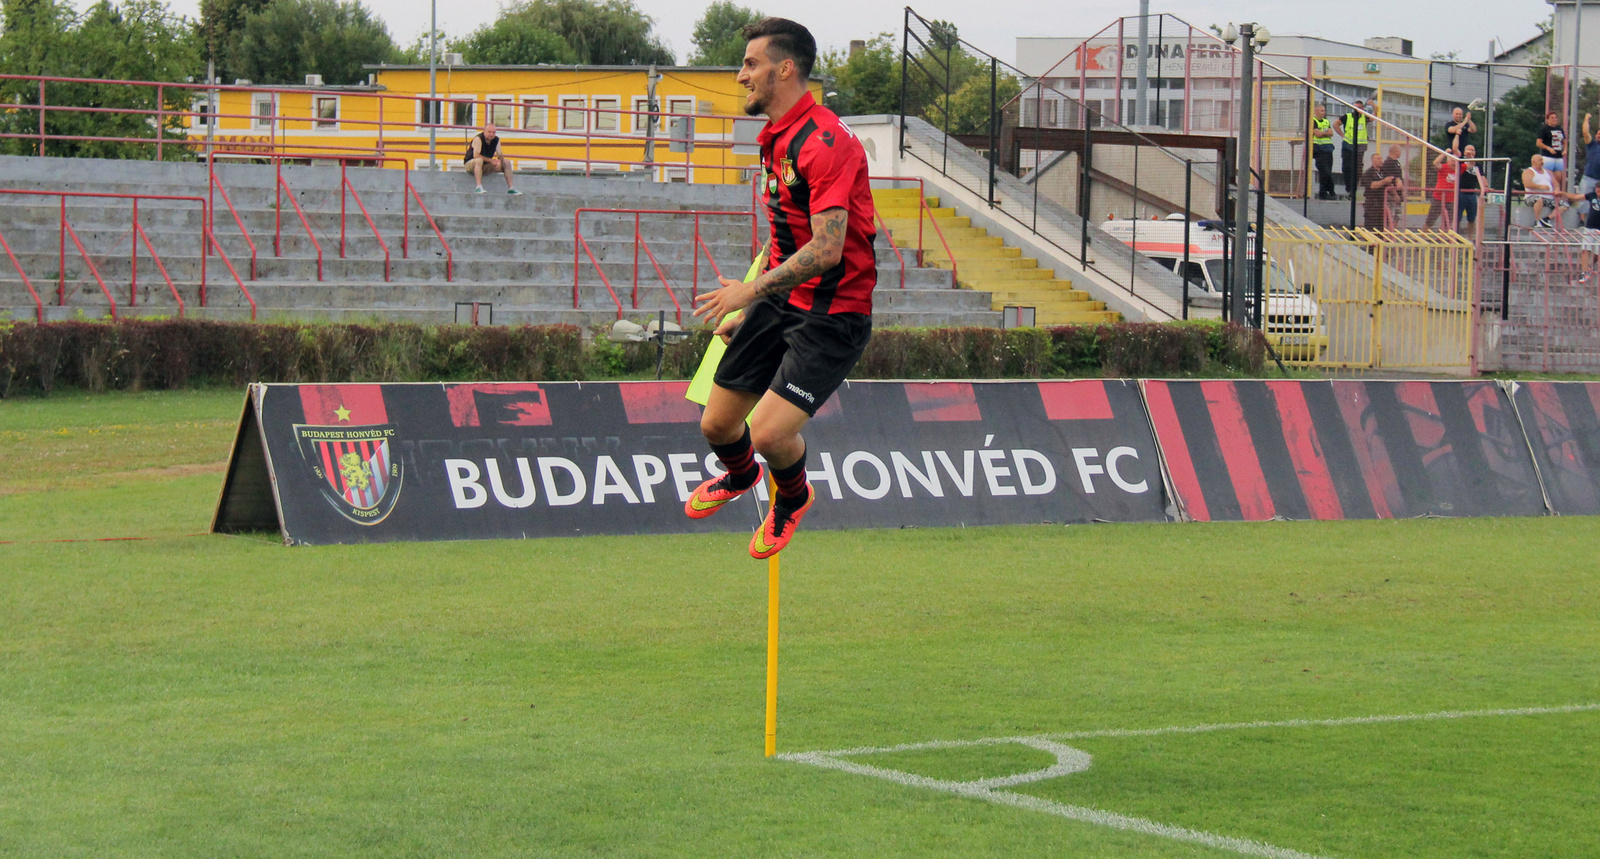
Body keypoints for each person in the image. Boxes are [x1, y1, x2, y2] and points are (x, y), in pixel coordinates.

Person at [687, 17, 877, 560]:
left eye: (751, 64)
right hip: (781, 302)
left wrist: (745, 295)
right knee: (718, 424)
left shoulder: (825, 141)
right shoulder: (775, 138)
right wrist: (752, 309)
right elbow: (784, 238)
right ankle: (742, 477)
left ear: (785, 68)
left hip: (833, 314)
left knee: (770, 435)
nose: (740, 76)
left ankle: (792, 500)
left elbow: (826, 249)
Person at [464, 123, 520, 195]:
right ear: (484, 131)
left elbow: (500, 154)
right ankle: (479, 187)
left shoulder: (496, 140)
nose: (491, 134)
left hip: (485, 165)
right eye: (489, 132)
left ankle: (511, 188)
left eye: (493, 132)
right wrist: (491, 161)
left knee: (507, 162)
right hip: (471, 164)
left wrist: (500, 161)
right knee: (479, 160)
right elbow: (476, 155)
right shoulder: (478, 139)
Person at [1524, 153, 1566, 228]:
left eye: (1542, 160)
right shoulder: (1529, 171)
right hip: (1532, 197)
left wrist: (1556, 189)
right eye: (1540, 160)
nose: (1542, 162)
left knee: (1564, 204)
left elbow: (1555, 183)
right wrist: (1540, 187)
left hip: (1548, 198)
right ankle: (1537, 220)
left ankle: (1547, 219)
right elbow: (1527, 184)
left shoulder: (1548, 172)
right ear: (1533, 161)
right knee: (1539, 200)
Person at [1337, 100, 1370, 195]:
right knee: (1347, 167)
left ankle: (1353, 190)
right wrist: (1342, 135)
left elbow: (1374, 117)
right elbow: (1336, 124)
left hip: (1360, 147)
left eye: (1359, 108)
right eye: (1355, 108)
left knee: (1358, 169)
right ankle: (1348, 188)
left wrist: (1374, 106)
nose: (1356, 110)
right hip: (1348, 146)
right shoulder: (1347, 117)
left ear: (1362, 109)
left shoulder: (1364, 117)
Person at [1360, 152, 1398, 229]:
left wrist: (1395, 194)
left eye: (1381, 159)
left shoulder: (1384, 172)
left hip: (1383, 203)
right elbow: (1372, 185)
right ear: (1373, 160)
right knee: (1371, 226)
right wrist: (1384, 181)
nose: (1381, 160)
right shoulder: (1368, 173)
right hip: (1372, 204)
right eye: (1378, 159)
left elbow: (1391, 181)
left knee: (1383, 226)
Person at [1425, 148, 1460, 230]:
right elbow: (1435, 163)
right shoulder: (1443, 167)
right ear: (1448, 161)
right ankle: (1422, 237)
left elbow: (1469, 165)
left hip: (1451, 199)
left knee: (1448, 222)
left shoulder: (1458, 170)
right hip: (1439, 198)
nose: (1454, 163)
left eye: (1455, 161)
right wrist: (1444, 153)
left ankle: (1442, 238)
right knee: (1430, 220)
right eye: (1452, 160)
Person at [1537, 111, 1568, 192]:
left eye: (1555, 118)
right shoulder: (1544, 130)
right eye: (1552, 118)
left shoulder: (1559, 129)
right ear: (1547, 120)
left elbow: (1564, 141)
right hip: (1548, 156)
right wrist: (1548, 148)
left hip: (1558, 156)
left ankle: (1555, 191)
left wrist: (1565, 149)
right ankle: (1547, 192)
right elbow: (1539, 143)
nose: (1554, 119)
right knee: (1548, 176)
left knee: (1558, 177)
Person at [1311, 104, 1337, 199]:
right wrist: (1325, 133)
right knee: (1324, 171)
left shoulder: (1326, 121)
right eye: (1322, 111)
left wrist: (1323, 133)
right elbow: (1317, 134)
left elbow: (1331, 133)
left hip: (1328, 149)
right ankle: (1329, 192)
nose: (1324, 112)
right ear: (1316, 111)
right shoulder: (1313, 121)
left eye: (1324, 110)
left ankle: (1325, 192)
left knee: (1328, 171)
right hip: (1319, 149)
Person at [1457, 144, 1483, 235]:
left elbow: (1482, 177)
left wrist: (1485, 186)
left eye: (1473, 150)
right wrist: (1470, 158)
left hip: (1472, 193)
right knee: (1457, 217)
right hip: (1460, 192)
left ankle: (1470, 237)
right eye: (1469, 150)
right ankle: (1456, 236)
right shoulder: (1460, 162)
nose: (1471, 152)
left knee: (1472, 218)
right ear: (1464, 152)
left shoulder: (1478, 164)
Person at [1380, 143, 1406, 227]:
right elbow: (1389, 180)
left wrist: (1402, 192)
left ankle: (1393, 233)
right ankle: (1388, 234)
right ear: (1395, 151)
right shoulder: (1388, 163)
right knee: (1391, 215)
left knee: (1397, 216)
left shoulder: (1397, 163)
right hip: (1391, 195)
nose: (1400, 153)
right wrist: (1395, 194)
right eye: (1399, 151)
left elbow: (1399, 178)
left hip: (1398, 193)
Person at [1580, 114, 1600, 212]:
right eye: (1598, 133)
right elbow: (1585, 132)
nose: (1599, 135)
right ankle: (1582, 221)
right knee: (1584, 201)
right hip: (1589, 178)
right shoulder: (1592, 145)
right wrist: (1586, 118)